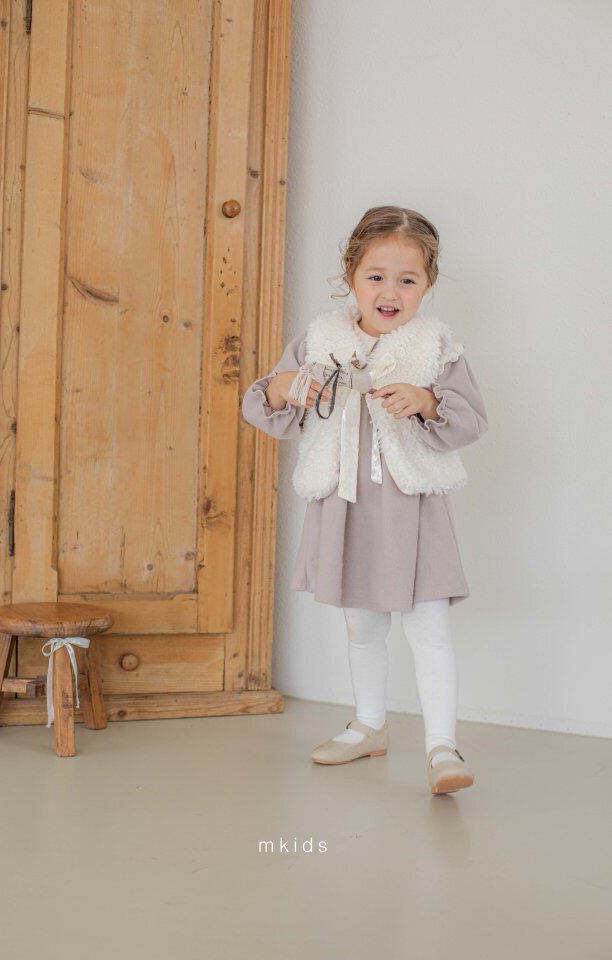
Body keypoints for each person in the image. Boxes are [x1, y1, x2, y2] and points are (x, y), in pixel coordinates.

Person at [241, 205, 489, 795]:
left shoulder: (436, 347)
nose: (390, 292)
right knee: (362, 627)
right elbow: (266, 406)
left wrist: (427, 402)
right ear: (351, 276)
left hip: (414, 510)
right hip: (346, 509)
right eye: (376, 276)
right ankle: (368, 725)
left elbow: (471, 421)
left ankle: (442, 746)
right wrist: (283, 387)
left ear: (428, 283)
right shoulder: (320, 340)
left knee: (429, 627)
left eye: (408, 279)